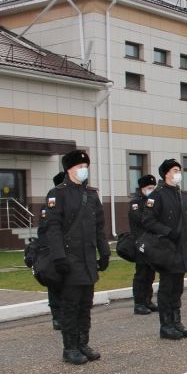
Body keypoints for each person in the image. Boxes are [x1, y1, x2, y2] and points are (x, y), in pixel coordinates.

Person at [46, 150, 110, 364]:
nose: (84, 170)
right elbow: (52, 228)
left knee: (85, 304)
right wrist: (59, 257)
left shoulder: (91, 194)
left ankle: (83, 343)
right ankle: (70, 348)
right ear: (69, 169)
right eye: (79, 167)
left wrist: (105, 251)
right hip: (69, 259)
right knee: (70, 305)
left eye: (85, 166)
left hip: (88, 259)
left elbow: (99, 227)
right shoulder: (58, 193)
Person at [142, 159, 187, 339]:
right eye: (175, 170)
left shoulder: (181, 194)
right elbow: (147, 220)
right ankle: (166, 325)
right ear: (166, 173)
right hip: (166, 249)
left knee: (177, 288)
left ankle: (176, 322)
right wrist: (168, 232)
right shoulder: (157, 194)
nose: (178, 173)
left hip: (180, 249)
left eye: (179, 169)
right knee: (167, 288)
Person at [36, 171, 66, 330]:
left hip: (69, 250)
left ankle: (67, 315)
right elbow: (44, 230)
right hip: (52, 251)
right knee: (54, 283)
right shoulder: (49, 206)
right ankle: (57, 317)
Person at [129, 174, 158, 315]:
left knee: (150, 273)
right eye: (149, 188)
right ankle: (139, 303)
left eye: (153, 188)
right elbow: (142, 220)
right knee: (141, 274)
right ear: (142, 188)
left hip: (152, 243)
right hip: (140, 242)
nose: (151, 190)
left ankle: (148, 300)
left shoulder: (152, 201)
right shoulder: (135, 203)